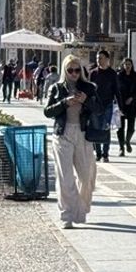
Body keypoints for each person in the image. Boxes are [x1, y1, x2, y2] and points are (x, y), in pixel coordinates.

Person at [44, 54, 98, 230]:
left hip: (83, 134)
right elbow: (48, 112)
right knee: (65, 177)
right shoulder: (56, 88)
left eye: (77, 70)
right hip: (62, 134)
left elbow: (100, 109)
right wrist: (64, 103)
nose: (74, 73)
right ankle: (67, 214)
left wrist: (86, 101)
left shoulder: (89, 88)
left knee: (86, 177)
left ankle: (81, 208)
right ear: (64, 71)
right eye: (70, 70)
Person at [88, 50, 119, 162]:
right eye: (97, 58)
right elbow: (89, 90)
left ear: (107, 59)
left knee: (105, 128)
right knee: (96, 127)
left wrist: (120, 106)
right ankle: (98, 153)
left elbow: (116, 90)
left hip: (108, 104)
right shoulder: (93, 73)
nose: (99, 60)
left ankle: (106, 154)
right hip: (95, 105)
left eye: (101, 58)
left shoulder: (112, 73)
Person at [115, 57, 136, 156]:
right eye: (125, 64)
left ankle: (127, 141)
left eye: (129, 64)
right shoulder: (118, 76)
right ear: (123, 65)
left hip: (131, 104)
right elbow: (116, 90)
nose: (127, 66)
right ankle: (121, 147)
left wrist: (132, 98)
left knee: (131, 127)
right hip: (120, 104)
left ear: (132, 65)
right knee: (120, 128)